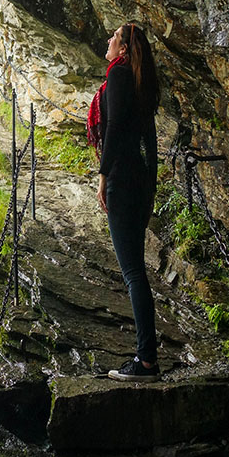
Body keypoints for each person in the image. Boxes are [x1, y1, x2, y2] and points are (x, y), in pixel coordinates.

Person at [87, 21, 160, 381]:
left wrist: (103, 177)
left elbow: (113, 128)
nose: (108, 41)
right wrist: (152, 184)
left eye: (114, 38)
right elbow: (150, 141)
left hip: (122, 180)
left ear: (125, 50)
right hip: (140, 181)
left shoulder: (118, 76)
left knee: (133, 274)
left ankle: (146, 361)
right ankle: (146, 356)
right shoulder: (140, 82)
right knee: (136, 273)